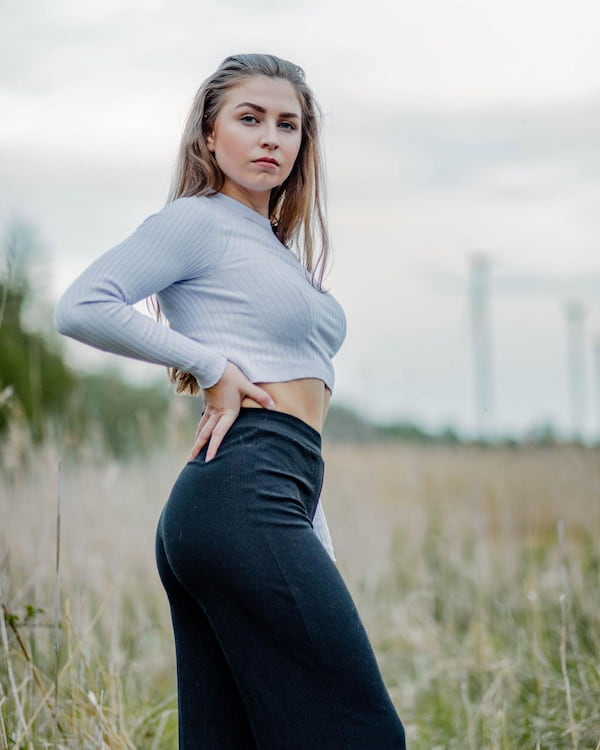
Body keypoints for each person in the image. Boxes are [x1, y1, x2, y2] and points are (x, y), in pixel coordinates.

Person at [55, 53, 406, 750]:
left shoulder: (273, 248)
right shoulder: (198, 221)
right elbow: (81, 306)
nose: (271, 137)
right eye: (249, 119)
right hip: (242, 494)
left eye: (288, 124)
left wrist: (314, 534)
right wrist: (210, 366)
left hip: (265, 494)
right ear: (208, 137)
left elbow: (297, 415)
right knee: (361, 733)